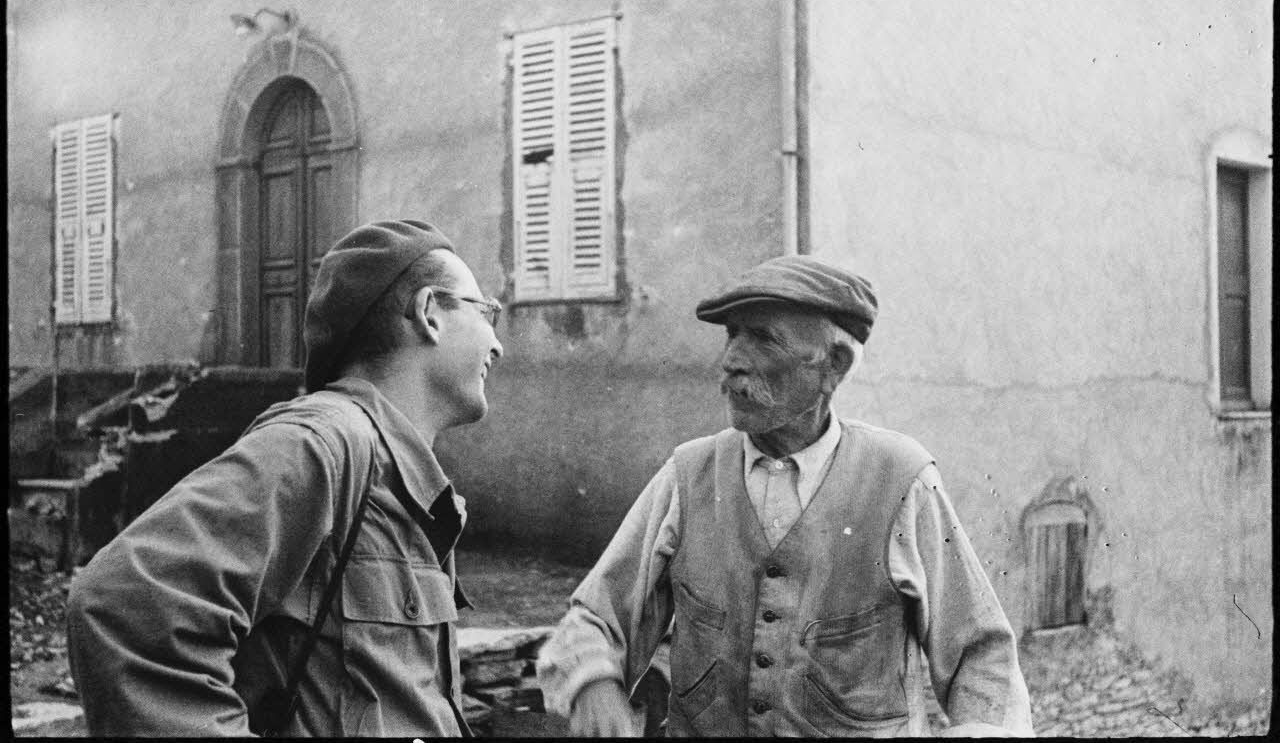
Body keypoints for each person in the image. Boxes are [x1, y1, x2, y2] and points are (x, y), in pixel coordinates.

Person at [537, 255, 1034, 737]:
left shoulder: (901, 479)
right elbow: (596, 618)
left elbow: (980, 654)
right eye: (732, 335)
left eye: (763, 339)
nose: (730, 361)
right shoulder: (688, 475)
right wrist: (594, 682)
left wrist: (982, 729)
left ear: (832, 366)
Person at [66, 219, 504, 736]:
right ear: (430, 313)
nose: (496, 345)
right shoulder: (324, 443)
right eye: (485, 313)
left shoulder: (398, 475)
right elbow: (121, 606)